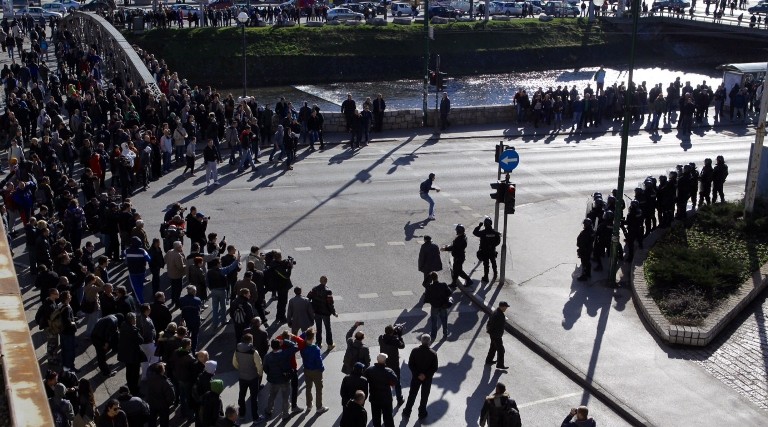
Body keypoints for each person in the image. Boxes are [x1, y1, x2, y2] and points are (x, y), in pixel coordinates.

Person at [402, 334, 438, 419]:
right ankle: (422, 413)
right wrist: (425, 375)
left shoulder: (415, 351)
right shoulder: (433, 354)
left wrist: (418, 374)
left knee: (412, 395)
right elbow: (434, 368)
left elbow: (411, 364)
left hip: (416, 377)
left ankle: (407, 411)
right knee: (424, 396)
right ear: (429, 342)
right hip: (427, 379)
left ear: (421, 341)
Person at [263, 338, 300, 421]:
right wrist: (285, 341)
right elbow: (296, 346)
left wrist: (270, 374)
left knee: (272, 396)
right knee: (285, 398)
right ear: (280, 345)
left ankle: (269, 410)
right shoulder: (285, 353)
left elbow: (265, 368)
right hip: (284, 379)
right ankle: (285, 414)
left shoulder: (268, 356)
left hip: (273, 380)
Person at [232, 333, 264, 422]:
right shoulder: (253, 351)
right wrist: (260, 374)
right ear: (250, 340)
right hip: (253, 377)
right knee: (254, 398)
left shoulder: (237, 349)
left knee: (241, 396)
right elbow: (259, 365)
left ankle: (241, 414)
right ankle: (255, 417)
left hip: (242, 377)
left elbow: (234, 363)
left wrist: (241, 369)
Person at [364, 353, 398, 427]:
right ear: (385, 361)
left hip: (374, 398)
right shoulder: (389, 371)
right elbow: (395, 381)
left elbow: (364, 378)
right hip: (386, 398)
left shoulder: (369, 370)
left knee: (376, 418)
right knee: (388, 418)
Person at [301, 327, 329, 413]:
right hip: (316, 371)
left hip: (306, 370)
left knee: (308, 388)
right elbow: (319, 362)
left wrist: (307, 332)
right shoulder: (316, 349)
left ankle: (309, 405)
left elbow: (300, 337)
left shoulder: (303, 346)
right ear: (313, 338)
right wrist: (322, 369)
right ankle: (319, 407)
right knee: (318, 389)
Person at [118, 312, 148, 396]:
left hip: (126, 353)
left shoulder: (124, 325)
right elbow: (141, 340)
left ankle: (131, 387)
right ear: (131, 320)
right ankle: (134, 390)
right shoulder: (133, 330)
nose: (135, 320)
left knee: (129, 371)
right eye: (134, 319)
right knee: (135, 373)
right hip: (133, 354)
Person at [140, 362, 175, 427]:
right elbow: (170, 395)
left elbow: (148, 391)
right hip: (163, 405)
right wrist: (169, 403)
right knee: (164, 421)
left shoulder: (150, 378)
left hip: (152, 403)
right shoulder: (165, 382)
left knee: (152, 419)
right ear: (162, 371)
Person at [378, 324, 405, 405]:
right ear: (392, 332)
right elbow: (402, 346)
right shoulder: (395, 340)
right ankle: (399, 399)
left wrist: (394, 334)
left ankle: (386, 399)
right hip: (394, 365)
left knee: (385, 383)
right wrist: (400, 336)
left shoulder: (381, 338)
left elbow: (387, 338)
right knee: (397, 382)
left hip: (384, 363)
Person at [307, 276, 338, 349]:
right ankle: (330, 344)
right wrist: (334, 312)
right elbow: (330, 304)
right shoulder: (328, 291)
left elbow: (308, 298)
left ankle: (318, 343)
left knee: (318, 328)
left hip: (317, 312)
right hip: (325, 313)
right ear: (326, 281)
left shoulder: (314, 289)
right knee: (328, 329)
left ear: (320, 281)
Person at [91, 313, 123, 377]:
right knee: (101, 355)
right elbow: (107, 333)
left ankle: (105, 366)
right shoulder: (114, 320)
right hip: (99, 339)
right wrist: (106, 343)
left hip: (95, 336)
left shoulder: (109, 316)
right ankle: (107, 373)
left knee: (101, 354)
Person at [424, 272, 453, 341]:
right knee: (444, 320)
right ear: (437, 277)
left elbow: (426, 298)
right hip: (443, 305)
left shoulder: (430, 287)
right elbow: (450, 293)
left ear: (431, 279)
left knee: (434, 321)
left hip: (434, 307)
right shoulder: (443, 285)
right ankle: (445, 333)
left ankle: (433, 336)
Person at [473, 218, 501, 282]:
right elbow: (498, 241)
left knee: (486, 264)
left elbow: (474, 232)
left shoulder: (483, 233)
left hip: (484, 251)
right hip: (492, 250)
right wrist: (493, 246)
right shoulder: (495, 233)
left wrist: (479, 226)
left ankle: (486, 277)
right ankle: (495, 274)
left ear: (485, 225)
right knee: (493, 262)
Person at [486, 301, 510, 370]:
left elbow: (489, 323)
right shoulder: (498, 315)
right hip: (496, 335)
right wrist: (495, 334)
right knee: (501, 350)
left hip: (493, 334)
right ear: (501, 307)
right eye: (505, 307)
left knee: (493, 347)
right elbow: (493, 324)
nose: (506, 308)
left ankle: (489, 360)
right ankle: (500, 364)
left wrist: (489, 331)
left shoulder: (496, 312)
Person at [179, 285, 203, 351]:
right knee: (195, 336)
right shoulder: (197, 300)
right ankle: (193, 350)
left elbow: (181, 308)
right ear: (194, 292)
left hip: (186, 319)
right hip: (195, 320)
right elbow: (198, 309)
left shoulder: (182, 299)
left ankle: (186, 347)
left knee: (185, 334)